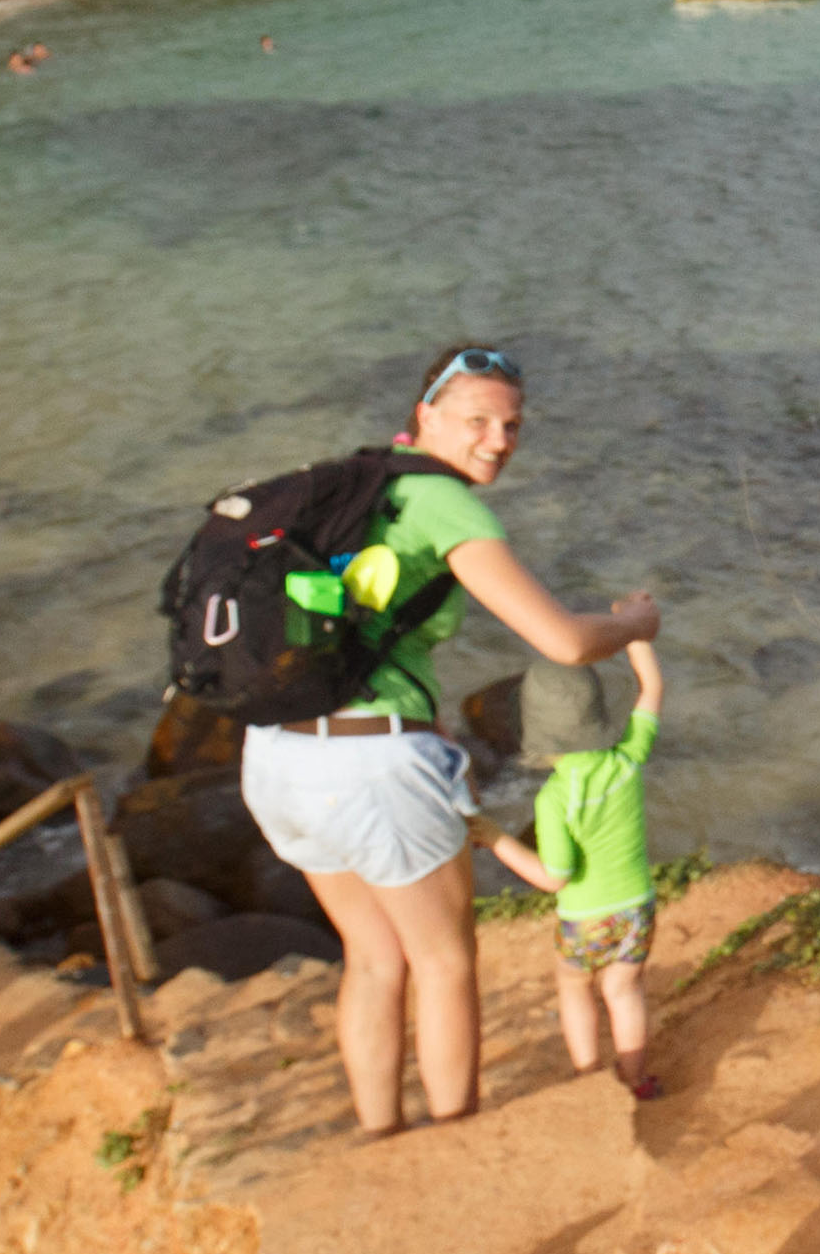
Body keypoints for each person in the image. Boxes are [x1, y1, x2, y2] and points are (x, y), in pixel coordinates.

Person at [239, 344, 660, 1136]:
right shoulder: (445, 505)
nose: (498, 441)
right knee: (443, 962)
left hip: (276, 755)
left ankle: (381, 1137)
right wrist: (635, 624)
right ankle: (455, 1146)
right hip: (371, 763)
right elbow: (565, 641)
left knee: (373, 957)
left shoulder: (351, 486)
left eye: (512, 425)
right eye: (478, 420)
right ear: (425, 415)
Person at [486, 646, 668, 1098]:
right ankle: (635, 1078)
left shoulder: (554, 798)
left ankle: (588, 1078)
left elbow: (554, 877)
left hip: (585, 918)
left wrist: (496, 840)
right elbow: (653, 689)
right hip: (637, 906)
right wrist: (637, 636)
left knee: (574, 985)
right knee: (624, 990)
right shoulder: (626, 762)